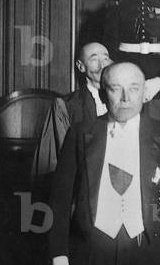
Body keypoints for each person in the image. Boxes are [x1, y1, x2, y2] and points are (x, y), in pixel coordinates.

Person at [48, 62, 160, 265]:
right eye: (116, 89)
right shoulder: (81, 133)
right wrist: (59, 260)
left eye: (134, 89)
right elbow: (59, 201)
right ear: (104, 93)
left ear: (144, 93)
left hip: (148, 257)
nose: (126, 98)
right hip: (91, 257)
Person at [31, 41, 112, 196]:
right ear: (81, 67)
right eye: (94, 59)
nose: (103, 64)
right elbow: (55, 162)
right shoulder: (65, 106)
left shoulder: (124, 102)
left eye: (106, 58)